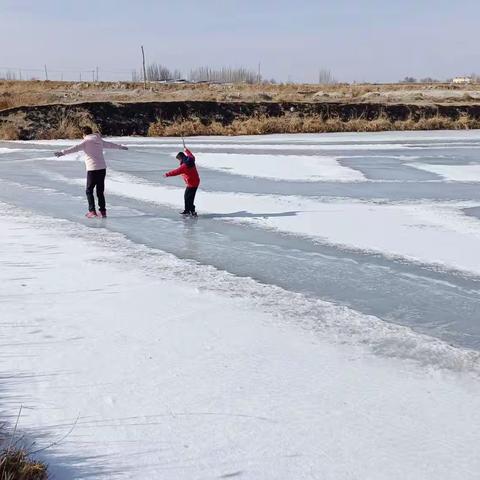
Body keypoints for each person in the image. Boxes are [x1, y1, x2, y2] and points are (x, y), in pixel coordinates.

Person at [54, 126, 128, 218]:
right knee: (100, 191)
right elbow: (110, 144)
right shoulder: (99, 140)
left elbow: (74, 148)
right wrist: (121, 147)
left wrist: (62, 153)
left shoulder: (86, 141)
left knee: (89, 190)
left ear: (84, 134)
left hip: (92, 169)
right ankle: (103, 211)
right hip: (102, 168)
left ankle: (92, 211)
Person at [164, 145, 200, 216]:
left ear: (181, 158)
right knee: (187, 197)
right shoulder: (191, 158)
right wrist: (186, 150)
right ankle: (188, 210)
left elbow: (176, 171)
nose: (179, 161)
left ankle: (192, 211)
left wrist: (167, 174)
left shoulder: (184, 166)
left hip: (192, 183)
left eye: (179, 159)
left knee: (189, 197)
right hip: (194, 181)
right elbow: (190, 154)